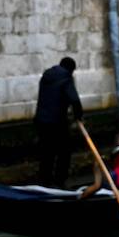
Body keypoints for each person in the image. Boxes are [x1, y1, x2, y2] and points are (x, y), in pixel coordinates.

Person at [33, 56, 83, 187]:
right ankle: (60, 181)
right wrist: (79, 117)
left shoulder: (46, 76)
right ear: (71, 69)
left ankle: (45, 181)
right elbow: (74, 99)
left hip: (40, 121)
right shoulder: (66, 78)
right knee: (64, 152)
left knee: (46, 152)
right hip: (57, 122)